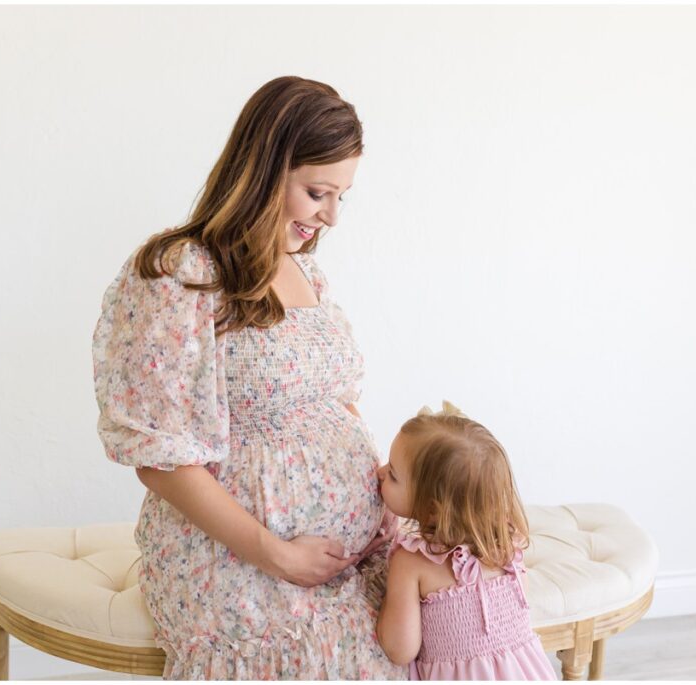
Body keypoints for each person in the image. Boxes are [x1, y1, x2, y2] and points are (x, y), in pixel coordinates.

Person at [92, 76, 405, 679]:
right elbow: (159, 456)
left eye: (343, 197)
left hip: (354, 555)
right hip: (243, 563)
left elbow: (335, 405)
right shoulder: (179, 274)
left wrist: (385, 505)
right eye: (318, 192)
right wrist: (278, 555)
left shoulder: (305, 272)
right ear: (266, 170)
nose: (333, 216)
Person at [376, 401, 558, 680]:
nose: (380, 472)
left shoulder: (411, 562)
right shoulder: (509, 549)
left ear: (432, 508)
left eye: (393, 475)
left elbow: (399, 649)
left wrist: (382, 598)